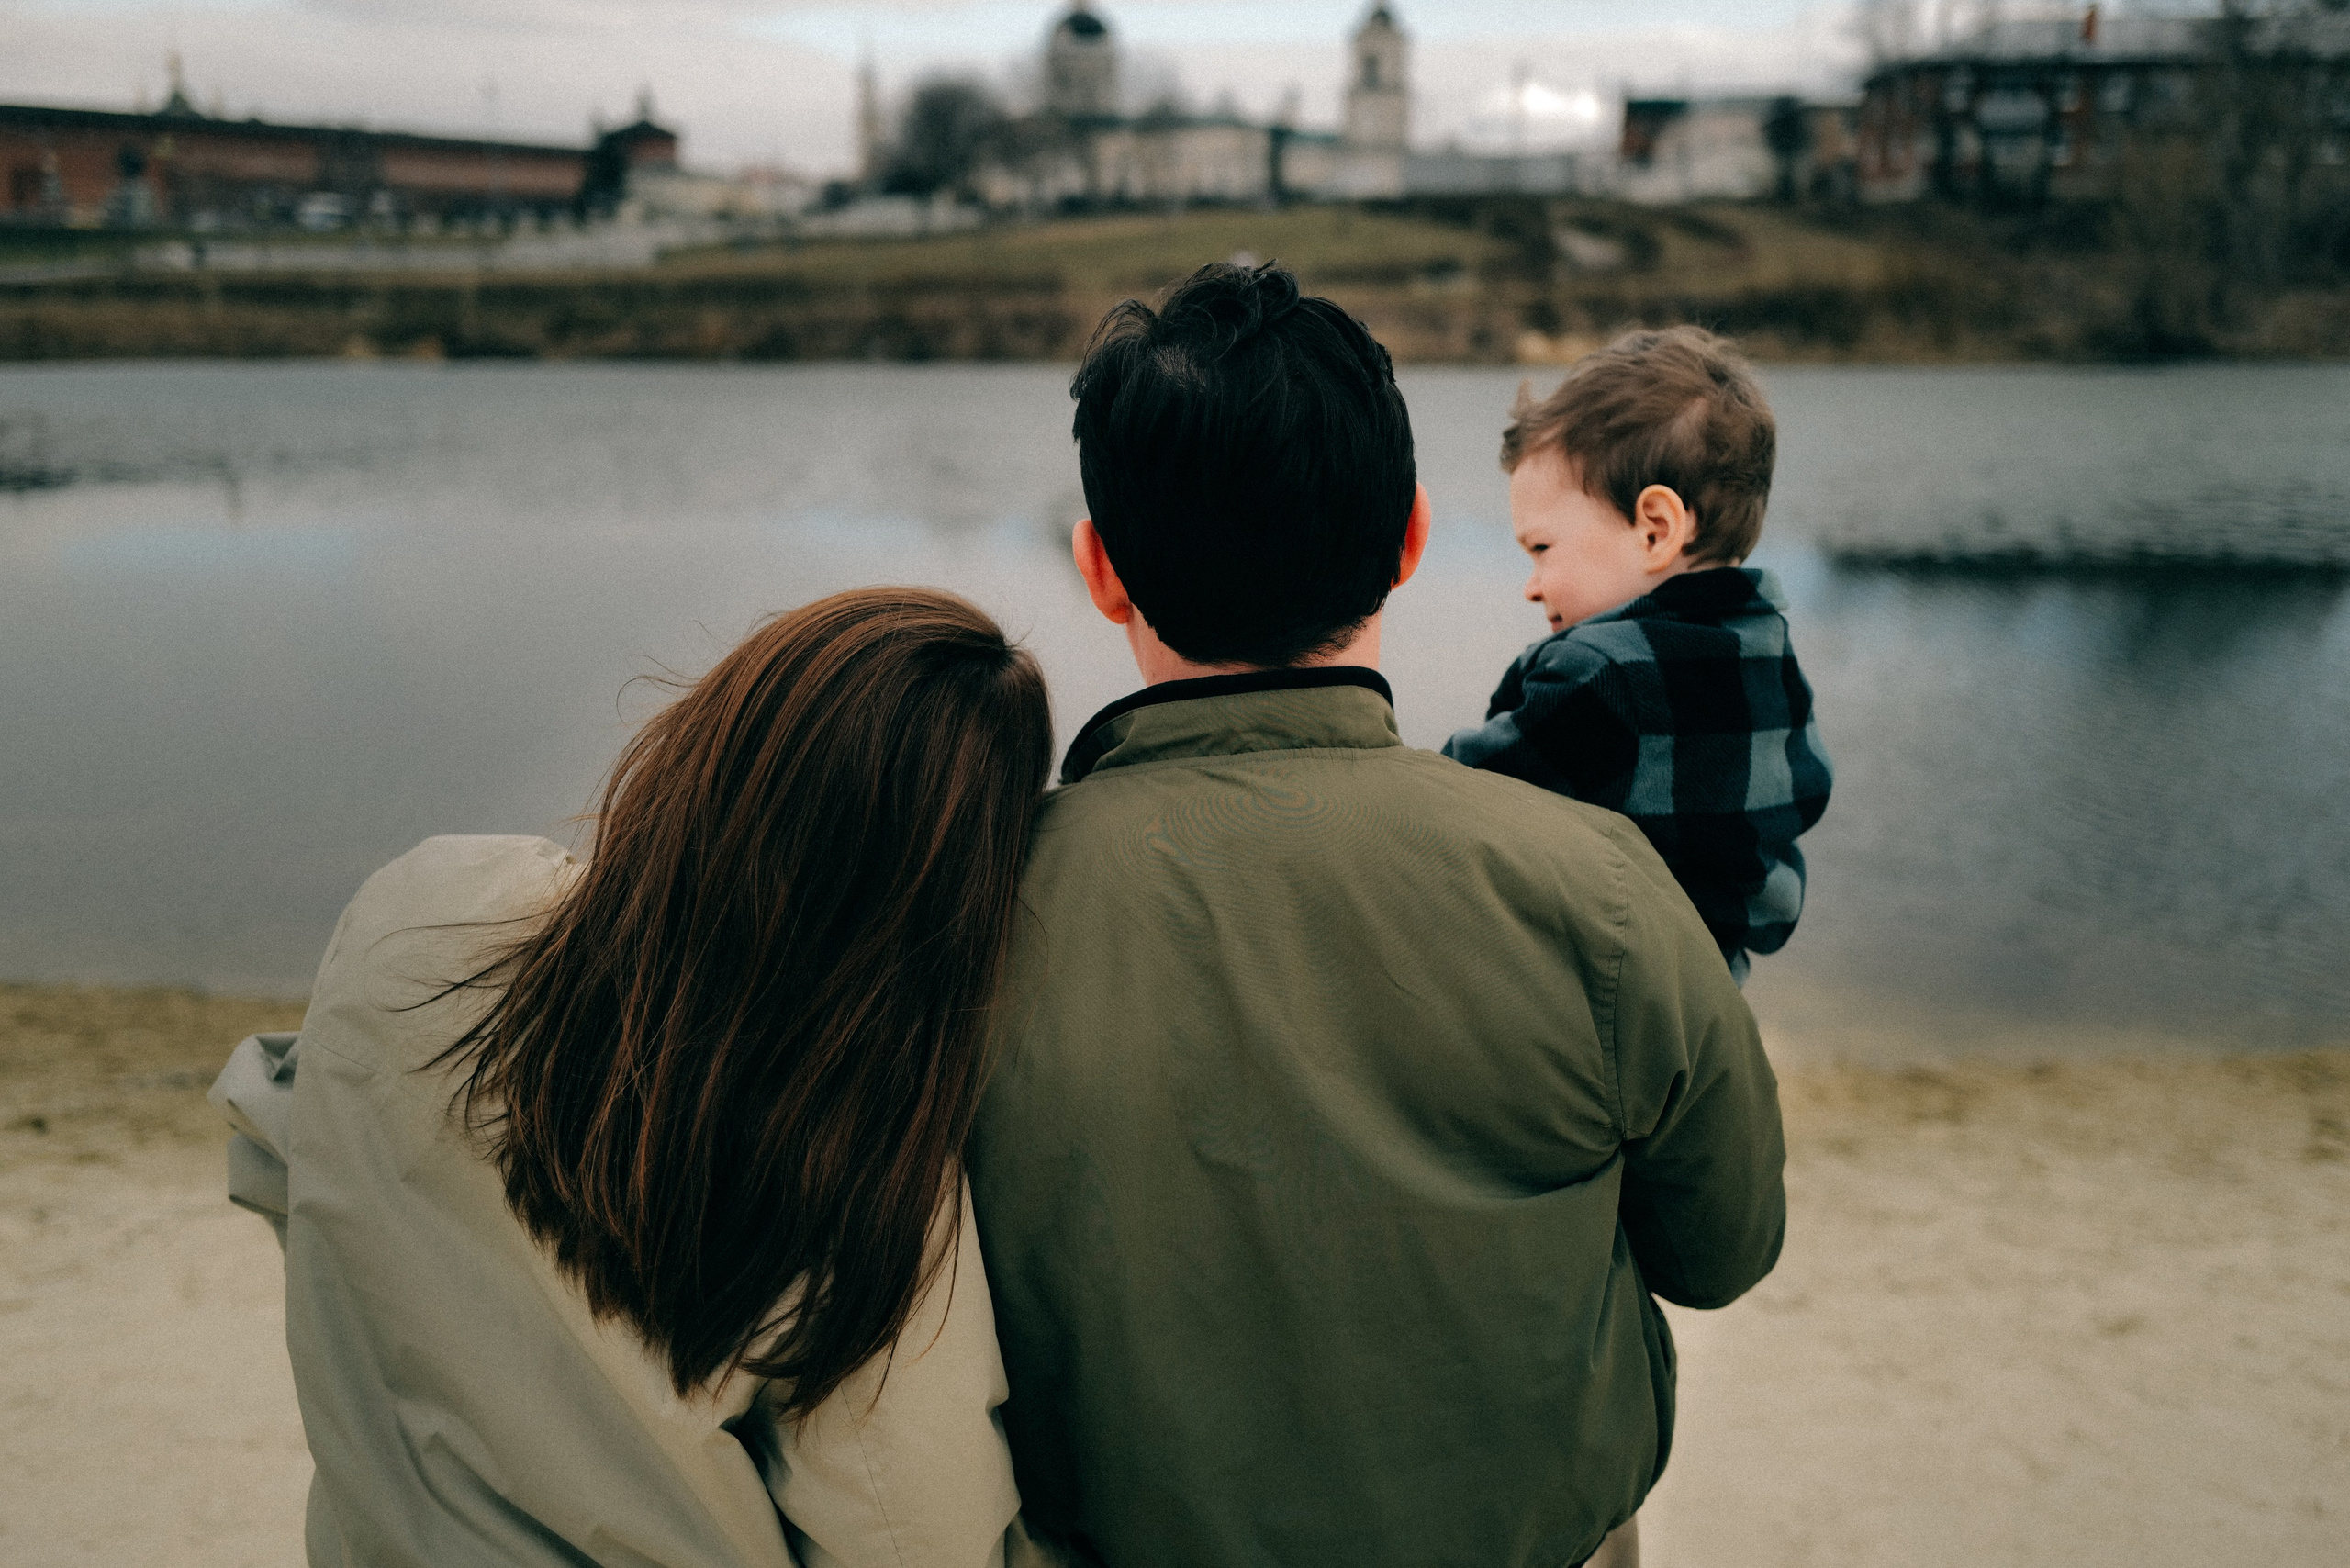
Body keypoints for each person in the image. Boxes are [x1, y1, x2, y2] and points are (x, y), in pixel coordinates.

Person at [968, 263, 1788, 1568]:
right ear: (1409, 541)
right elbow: (1724, 1246)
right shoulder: (1603, 886)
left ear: (1100, 572)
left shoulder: (960, 916)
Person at [210, 588, 1059, 1568]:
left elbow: (287, 1141)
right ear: (963, 898)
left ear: (707, 737)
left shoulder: (419, 916)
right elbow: (918, 1544)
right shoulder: (864, 1166)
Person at [1441, 326, 1833, 984]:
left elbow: (1453, 801)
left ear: (1655, 529)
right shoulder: (1772, 661)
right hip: (1709, 1005)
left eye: (1542, 549)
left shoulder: (1601, 676)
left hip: (1585, 1002)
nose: (1531, 585)